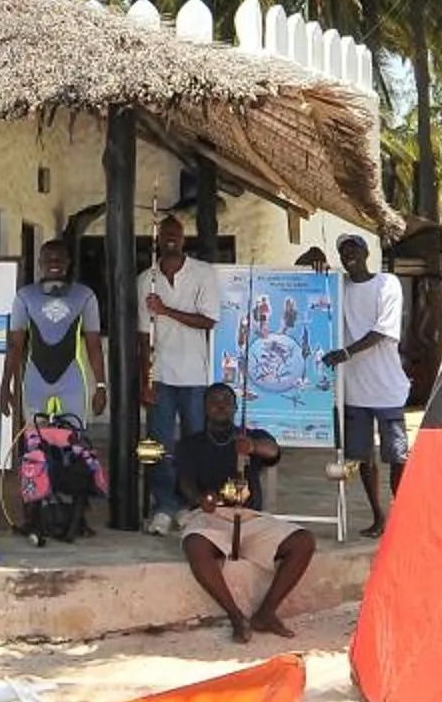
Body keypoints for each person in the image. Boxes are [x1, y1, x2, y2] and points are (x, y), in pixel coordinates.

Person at [172, 384, 313, 643]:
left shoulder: (250, 436)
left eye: (226, 400)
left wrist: (252, 447)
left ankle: (266, 613)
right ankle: (235, 616)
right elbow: (185, 482)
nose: (221, 405)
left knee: (303, 541)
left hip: (250, 518)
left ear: (236, 407)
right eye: (214, 401)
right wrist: (200, 499)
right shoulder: (190, 443)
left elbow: (273, 451)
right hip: (212, 516)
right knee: (194, 544)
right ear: (204, 408)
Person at [138, 214, 221, 536]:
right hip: (160, 375)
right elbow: (143, 337)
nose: (170, 238)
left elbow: (209, 321)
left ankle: (192, 505)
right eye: (165, 233)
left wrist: (165, 310)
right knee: (158, 445)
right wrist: (145, 379)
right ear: (157, 238)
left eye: (176, 233)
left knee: (194, 444)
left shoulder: (203, 273)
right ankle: (164, 506)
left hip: (195, 375)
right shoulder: (146, 279)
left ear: (184, 238)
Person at [325, 233, 408, 536]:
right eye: (343, 251)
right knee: (363, 459)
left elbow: (383, 331)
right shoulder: (340, 286)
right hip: (355, 390)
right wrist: (312, 258)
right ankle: (378, 516)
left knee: (397, 456)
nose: (349, 255)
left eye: (354, 249)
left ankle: (402, 517)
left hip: (387, 389)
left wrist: (346, 353)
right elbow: (315, 289)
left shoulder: (387, 283)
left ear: (366, 253)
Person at [2, 238, 106, 423]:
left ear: (68, 262)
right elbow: (14, 346)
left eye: (59, 259)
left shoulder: (84, 295)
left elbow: (94, 345)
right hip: (35, 381)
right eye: (48, 259)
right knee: (35, 438)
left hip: (72, 381)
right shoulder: (25, 296)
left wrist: (101, 386)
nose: (54, 263)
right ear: (40, 263)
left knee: (73, 437)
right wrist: (5, 386)